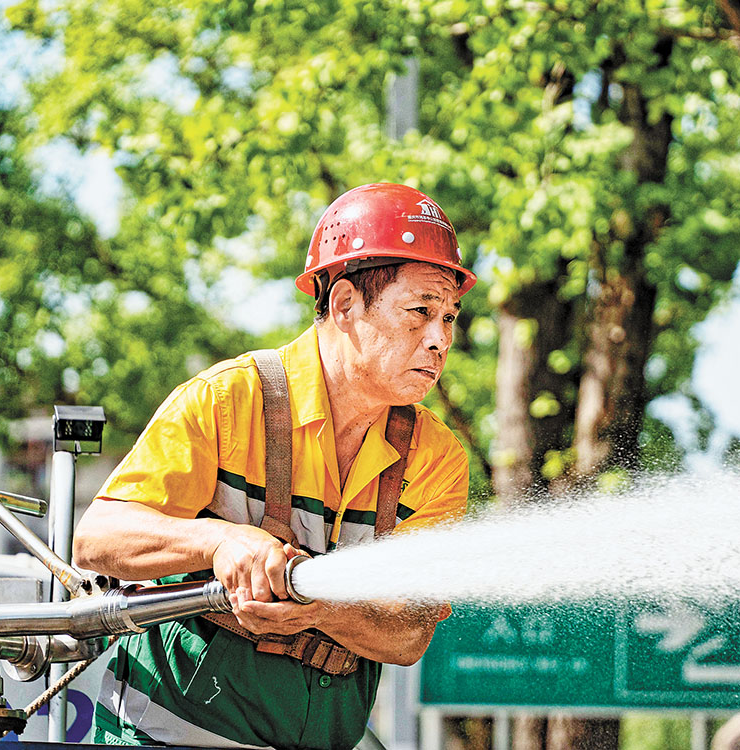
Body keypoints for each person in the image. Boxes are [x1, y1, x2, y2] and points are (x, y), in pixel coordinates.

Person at [73, 183, 477, 749]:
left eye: (450, 317)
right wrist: (222, 543)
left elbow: (410, 636)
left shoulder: (436, 458)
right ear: (344, 306)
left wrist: (314, 608)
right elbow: (98, 539)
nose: (440, 339)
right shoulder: (228, 400)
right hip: (170, 733)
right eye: (420, 312)